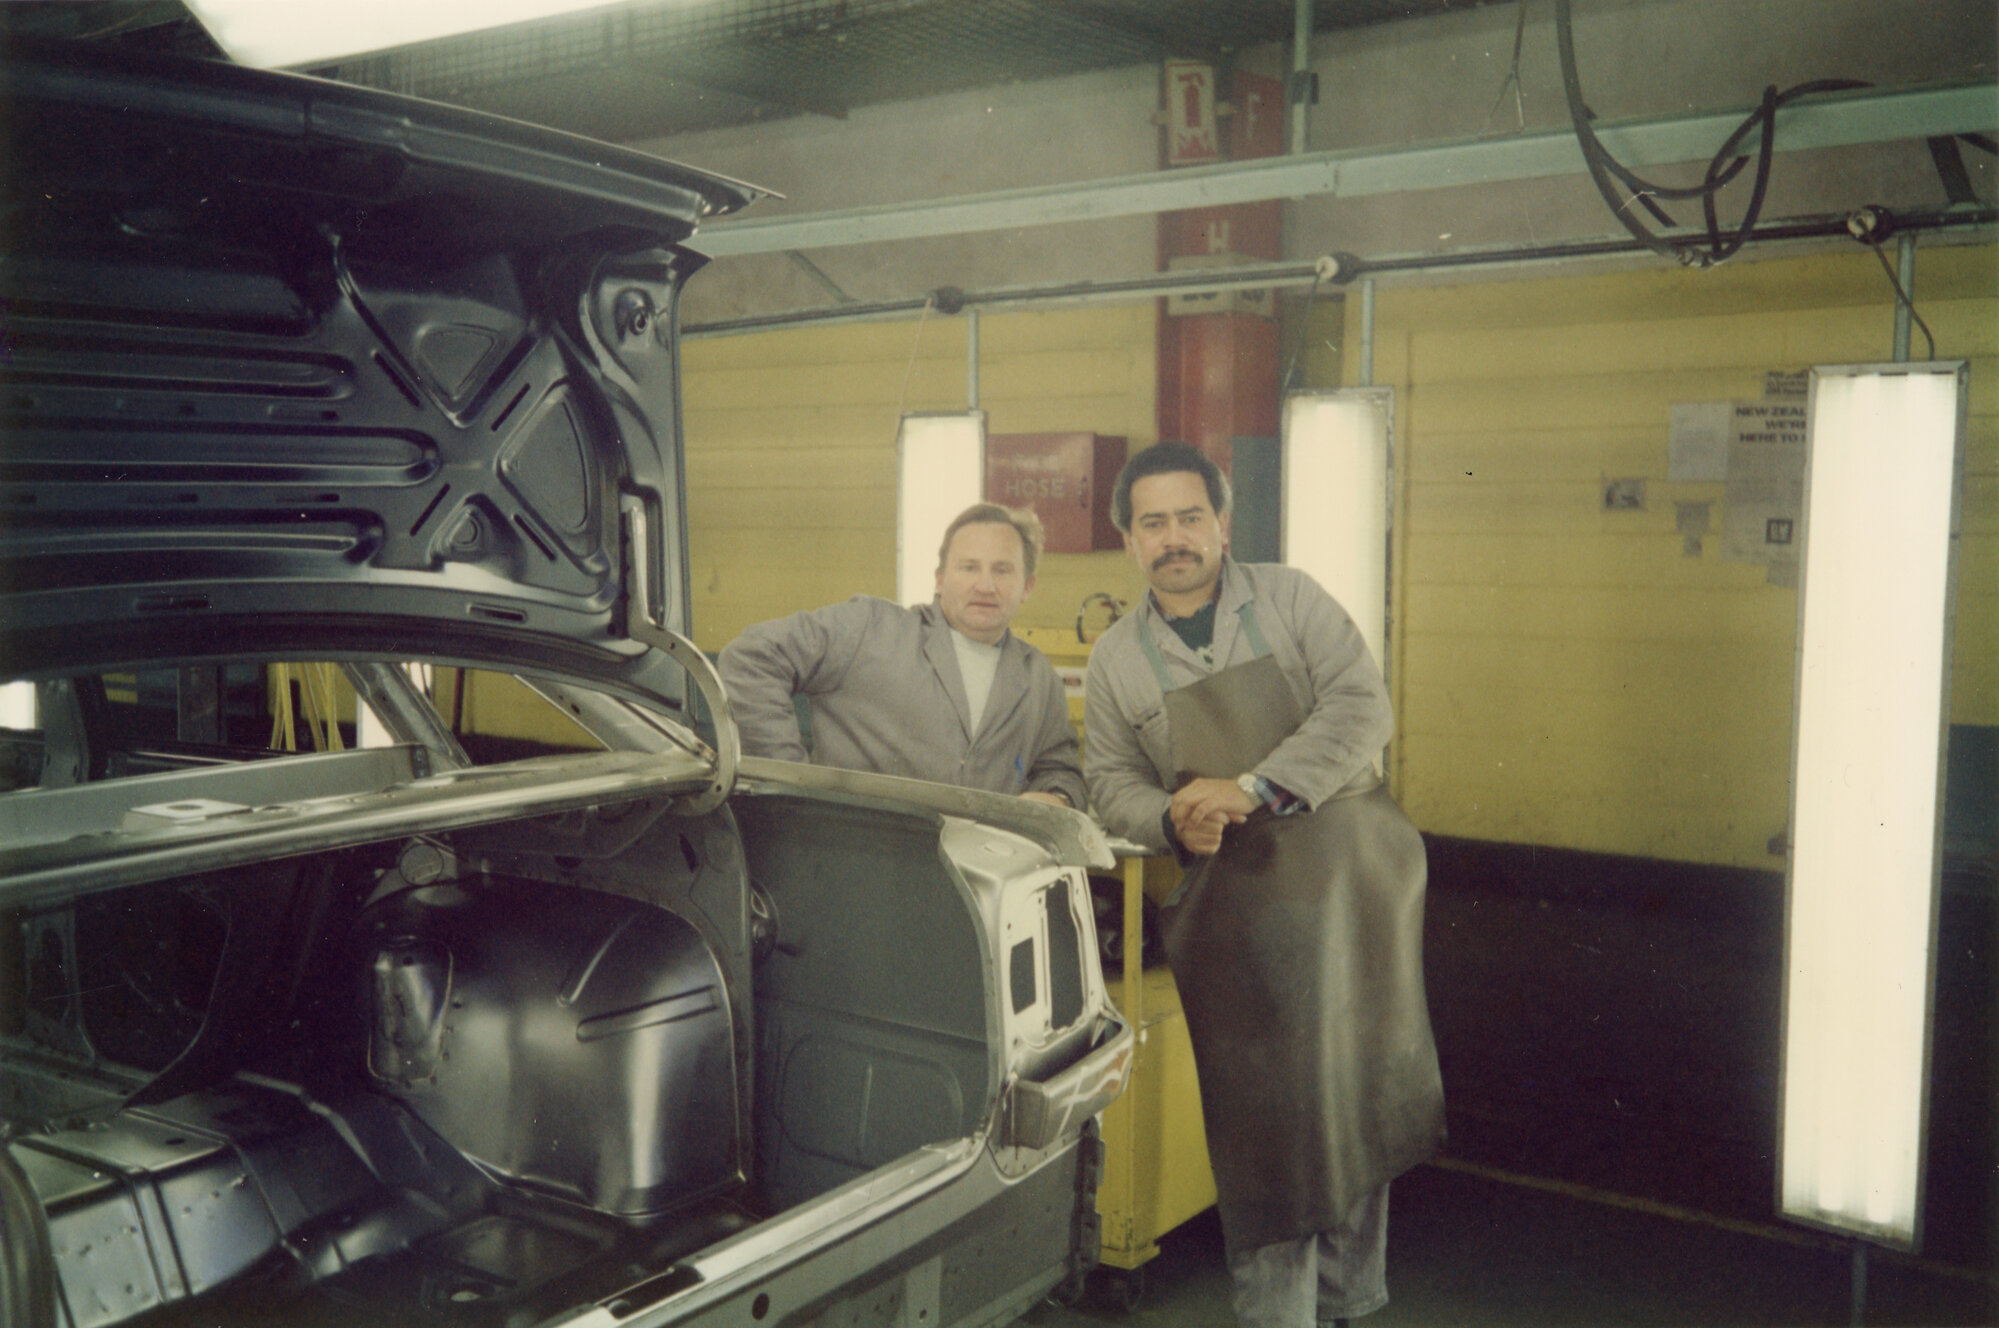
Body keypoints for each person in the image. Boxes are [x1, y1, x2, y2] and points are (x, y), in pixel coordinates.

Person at [1082, 442, 1444, 1328]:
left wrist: (1249, 787)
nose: (1175, 538)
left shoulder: (1290, 597)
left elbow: (1362, 707)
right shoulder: (1117, 659)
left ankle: (1353, 1301)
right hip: (1240, 909)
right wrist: (1170, 821)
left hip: (1353, 884)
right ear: (1128, 539)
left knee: (1356, 1105)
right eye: (1153, 523)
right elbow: (1109, 783)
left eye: (1190, 517)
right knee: (1267, 1135)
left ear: (1222, 523)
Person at [718, 502, 1085, 810]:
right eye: (969, 567)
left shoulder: (1038, 678)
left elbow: (1060, 769)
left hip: (976, 881)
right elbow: (750, 660)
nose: (985, 586)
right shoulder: (869, 629)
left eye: (1002, 570)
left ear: (1028, 586)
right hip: (857, 866)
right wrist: (794, 785)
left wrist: (1059, 798)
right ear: (940, 579)